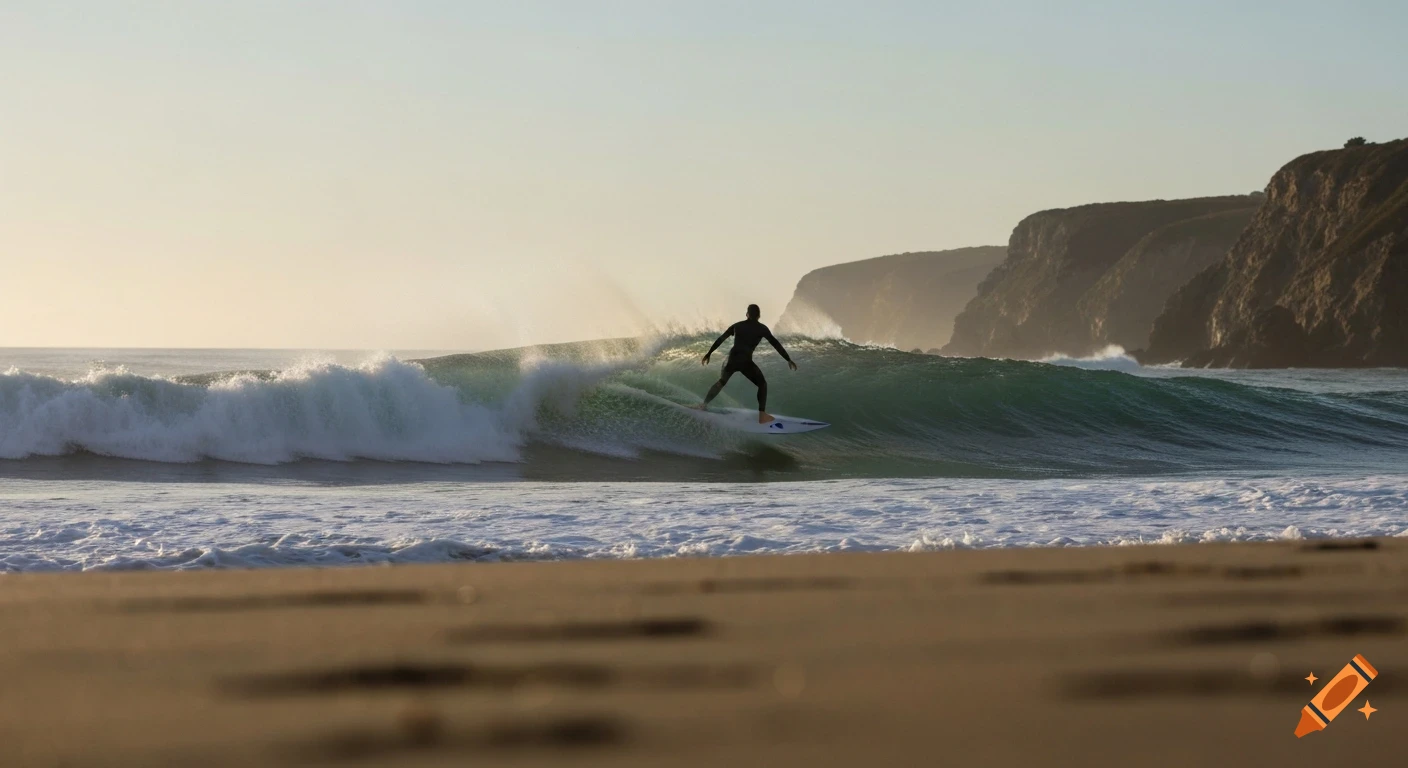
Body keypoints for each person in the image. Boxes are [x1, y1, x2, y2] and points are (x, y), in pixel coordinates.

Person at [699, 304, 797, 423]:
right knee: (762, 384)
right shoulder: (762, 329)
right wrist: (788, 359)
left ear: (747, 314)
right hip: (745, 362)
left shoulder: (737, 326)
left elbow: (721, 338)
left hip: (732, 359)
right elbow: (776, 344)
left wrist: (709, 353)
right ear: (759, 315)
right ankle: (762, 415)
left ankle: (703, 405)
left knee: (721, 382)